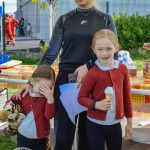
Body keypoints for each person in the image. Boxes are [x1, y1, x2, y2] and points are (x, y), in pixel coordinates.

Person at [16, 0, 118, 149]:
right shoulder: (64, 19)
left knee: (88, 138)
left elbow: (114, 54)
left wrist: (88, 66)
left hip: (95, 82)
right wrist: (31, 82)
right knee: (63, 138)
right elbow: (51, 53)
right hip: (67, 84)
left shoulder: (105, 19)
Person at [78, 29, 133, 150]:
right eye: (100, 49)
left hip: (114, 124)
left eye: (108, 48)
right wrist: (96, 104)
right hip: (94, 124)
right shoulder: (92, 73)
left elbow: (127, 97)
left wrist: (129, 123)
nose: (104, 53)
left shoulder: (123, 69)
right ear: (93, 50)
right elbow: (81, 98)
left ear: (116, 47)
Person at [11, 66, 55, 150]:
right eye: (41, 88)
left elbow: (49, 116)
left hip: (41, 138)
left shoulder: (48, 98)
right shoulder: (24, 94)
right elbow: (10, 103)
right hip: (23, 135)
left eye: (48, 89)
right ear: (32, 81)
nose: (44, 92)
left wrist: (50, 99)